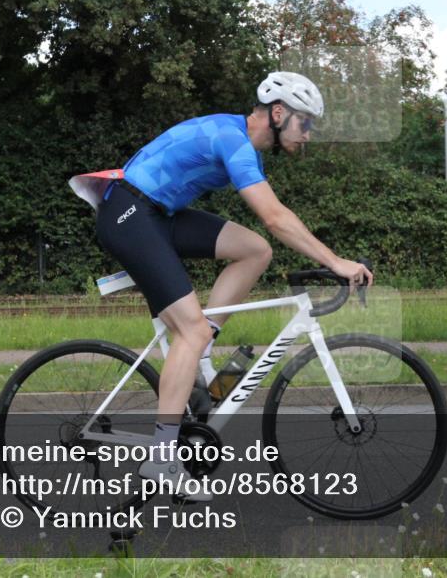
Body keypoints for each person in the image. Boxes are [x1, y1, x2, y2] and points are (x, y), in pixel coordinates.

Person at [93, 71, 374, 500]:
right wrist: (334, 261)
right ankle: (163, 458)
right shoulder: (233, 139)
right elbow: (275, 216)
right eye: (305, 123)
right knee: (192, 326)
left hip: (156, 215)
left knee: (256, 251)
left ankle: (200, 349)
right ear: (278, 113)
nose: (309, 135)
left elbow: (270, 228)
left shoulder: (243, 145)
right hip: (130, 215)